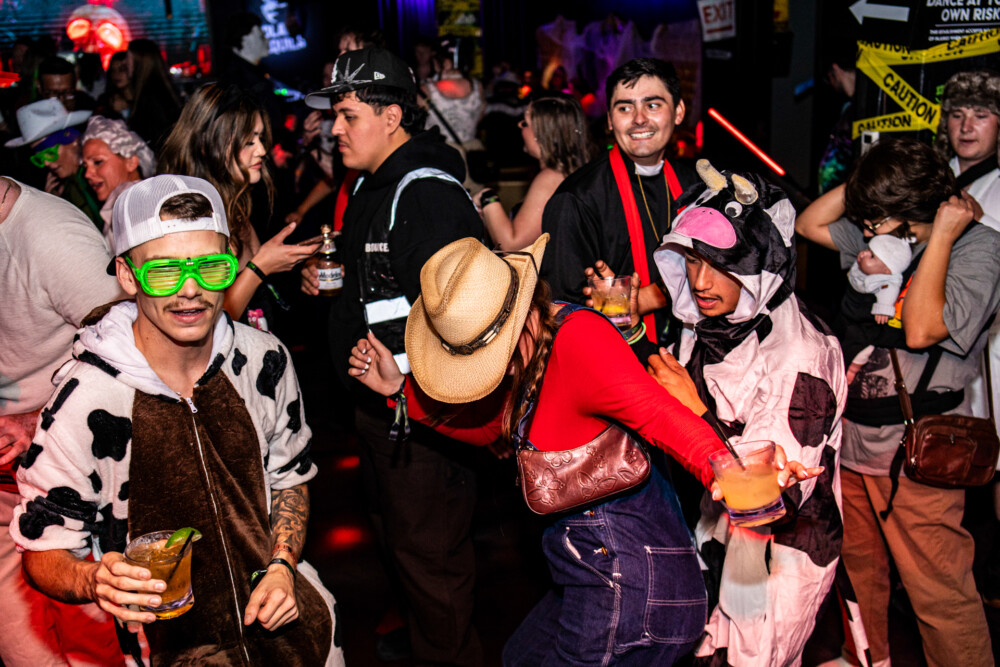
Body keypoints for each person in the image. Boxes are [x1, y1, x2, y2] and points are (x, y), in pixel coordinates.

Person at [347, 234, 823, 665]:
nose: (489, 368)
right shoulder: (526, 355)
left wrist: (728, 472)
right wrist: (400, 392)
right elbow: (497, 427)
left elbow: (659, 415)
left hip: (631, 581)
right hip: (585, 567)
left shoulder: (579, 341)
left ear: (522, 313)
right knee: (521, 658)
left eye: (486, 356)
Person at [10, 174, 344, 666]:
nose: (192, 291)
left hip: (298, 638)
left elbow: (290, 479)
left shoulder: (263, 359)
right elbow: (43, 549)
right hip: (174, 652)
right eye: (164, 272)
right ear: (127, 275)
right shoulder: (87, 396)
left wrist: (282, 565)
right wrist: (92, 579)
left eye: (211, 266)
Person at [301, 46, 485, 665]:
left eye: (349, 114)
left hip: (424, 420)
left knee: (434, 565)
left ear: (392, 117)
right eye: (335, 115)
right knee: (404, 549)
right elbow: (384, 289)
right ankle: (425, 642)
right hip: (384, 414)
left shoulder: (426, 195)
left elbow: (469, 321)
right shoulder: (367, 186)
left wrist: (403, 384)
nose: (336, 128)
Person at [796, 137, 999, 666]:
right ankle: (867, 658)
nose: (863, 231)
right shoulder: (881, 230)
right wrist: (868, 183)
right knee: (861, 572)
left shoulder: (980, 248)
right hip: (856, 438)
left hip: (919, 449)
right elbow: (809, 223)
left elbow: (923, 326)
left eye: (875, 219)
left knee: (939, 591)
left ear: (913, 212)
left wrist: (945, 232)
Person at [650, 160, 850, 665]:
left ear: (758, 266)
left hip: (783, 551)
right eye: (691, 261)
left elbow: (769, 492)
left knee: (751, 659)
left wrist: (692, 409)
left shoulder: (799, 357)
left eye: (719, 265)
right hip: (722, 534)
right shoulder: (714, 316)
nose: (699, 280)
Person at [0, 175, 125, 666]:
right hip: (6, 482)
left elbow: (130, 351)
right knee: (17, 635)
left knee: (91, 627)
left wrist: (35, 421)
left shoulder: (50, 237)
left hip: (67, 475)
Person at [540, 57, 697, 347]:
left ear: (678, 112)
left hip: (693, 355)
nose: (639, 119)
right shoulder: (576, 199)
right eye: (625, 107)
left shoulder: (695, 187)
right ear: (610, 121)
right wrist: (619, 309)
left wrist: (648, 298)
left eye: (653, 105)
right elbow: (560, 312)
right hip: (616, 362)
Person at [160, 83, 317, 325]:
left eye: (260, 137)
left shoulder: (239, 201)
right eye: (248, 141)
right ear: (208, 145)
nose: (262, 150)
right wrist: (261, 266)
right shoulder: (188, 220)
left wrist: (300, 265)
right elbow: (206, 322)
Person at [473, 94, 595, 250]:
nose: (519, 126)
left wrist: (488, 198)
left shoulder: (551, 177)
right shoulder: (576, 171)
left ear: (540, 134)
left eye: (525, 123)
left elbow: (512, 245)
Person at [5, 98, 102, 228]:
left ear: (73, 140)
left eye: (49, 153)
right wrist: (55, 205)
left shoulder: (101, 172)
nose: (46, 163)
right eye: (39, 158)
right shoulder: (65, 185)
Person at [838, 235, 912, 384]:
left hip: (865, 330)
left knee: (856, 349)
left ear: (886, 271)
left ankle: (850, 371)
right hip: (848, 315)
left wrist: (883, 309)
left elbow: (888, 293)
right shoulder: (865, 267)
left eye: (871, 256)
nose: (863, 253)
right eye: (867, 249)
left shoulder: (886, 282)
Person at [81, 115, 155, 247]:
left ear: (131, 162)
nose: (87, 174)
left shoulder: (137, 205)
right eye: (85, 166)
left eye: (98, 162)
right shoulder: (119, 206)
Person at [125, 39, 181, 148]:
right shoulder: (157, 89)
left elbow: (155, 135)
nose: (126, 63)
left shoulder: (150, 95)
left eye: (128, 58)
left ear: (139, 60)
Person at [95, 51, 134, 120]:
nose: (116, 75)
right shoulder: (105, 100)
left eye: (122, 70)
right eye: (113, 70)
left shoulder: (144, 99)